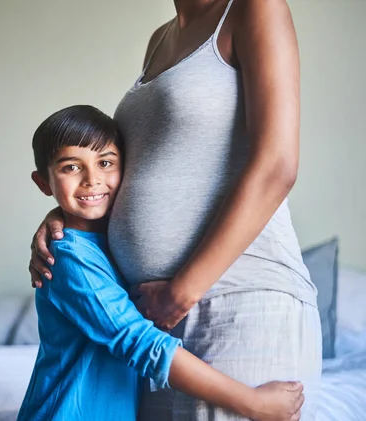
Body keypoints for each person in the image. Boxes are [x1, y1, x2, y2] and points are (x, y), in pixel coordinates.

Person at [28, 1, 322, 420]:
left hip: (235, 299)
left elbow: (277, 166)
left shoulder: (253, 7)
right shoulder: (159, 40)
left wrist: (182, 291)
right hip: (154, 323)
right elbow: (141, 166)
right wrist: (66, 220)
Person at [18, 105, 304, 421]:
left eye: (105, 163)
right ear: (43, 182)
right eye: (71, 167)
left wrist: (57, 213)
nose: (92, 179)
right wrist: (253, 403)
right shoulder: (67, 256)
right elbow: (139, 343)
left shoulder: (107, 242)